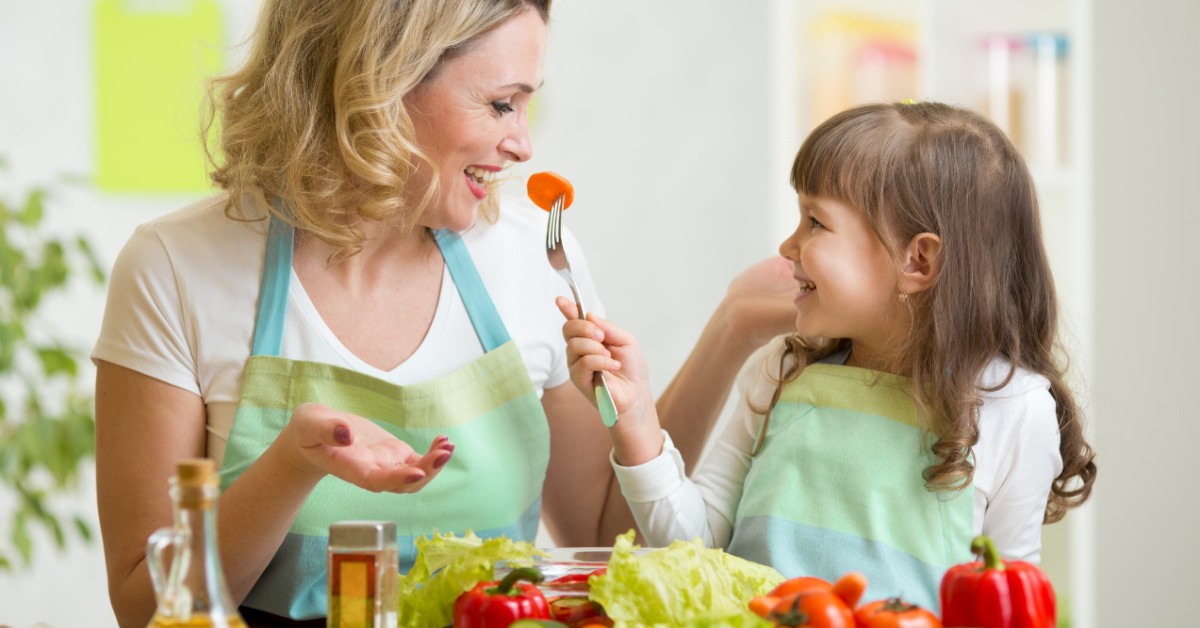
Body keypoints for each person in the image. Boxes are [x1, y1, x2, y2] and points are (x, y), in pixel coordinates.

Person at [92, 0, 797, 624]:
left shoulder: (530, 256)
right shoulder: (176, 268)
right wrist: (292, 465)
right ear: (377, 84)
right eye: (499, 105)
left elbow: (611, 537)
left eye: (527, 105)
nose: (522, 144)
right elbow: (144, 606)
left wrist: (730, 328)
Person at [558, 101, 1098, 611]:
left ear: (919, 260)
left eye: (815, 222)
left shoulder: (1015, 408)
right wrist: (636, 425)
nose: (788, 247)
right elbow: (696, 544)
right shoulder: (783, 371)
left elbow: (1008, 601)